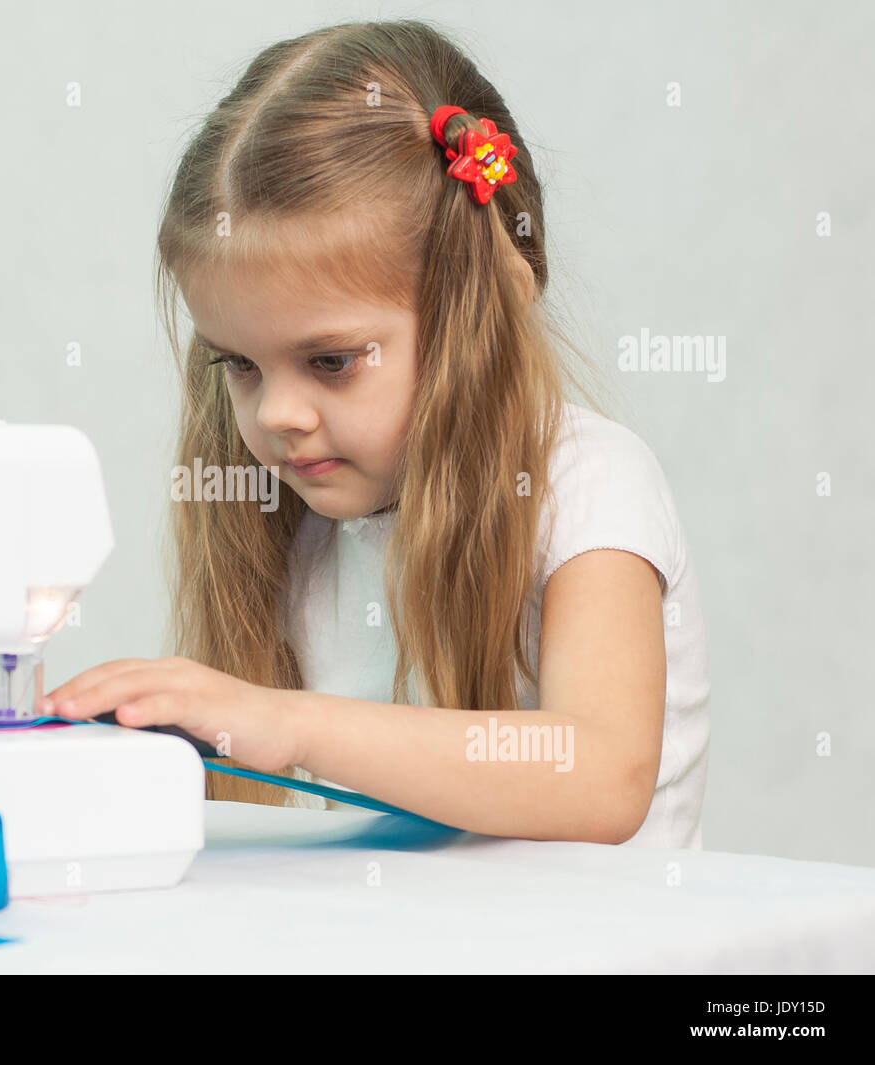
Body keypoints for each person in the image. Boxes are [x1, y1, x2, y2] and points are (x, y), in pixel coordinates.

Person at [41, 19, 711, 849]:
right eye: (241, 365)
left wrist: (290, 726)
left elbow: (602, 777)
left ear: (476, 321)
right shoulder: (301, 530)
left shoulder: (588, 485)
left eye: (329, 361)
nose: (276, 414)